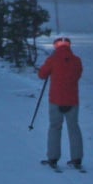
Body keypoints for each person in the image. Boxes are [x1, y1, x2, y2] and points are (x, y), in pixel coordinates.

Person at [37, 36, 83, 170]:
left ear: (55, 46)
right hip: (72, 100)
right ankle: (77, 158)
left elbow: (42, 75)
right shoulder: (77, 61)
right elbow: (78, 75)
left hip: (56, 100)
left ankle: (53, 157)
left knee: (55, 127)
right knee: (74, 128)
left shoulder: (52, 60)